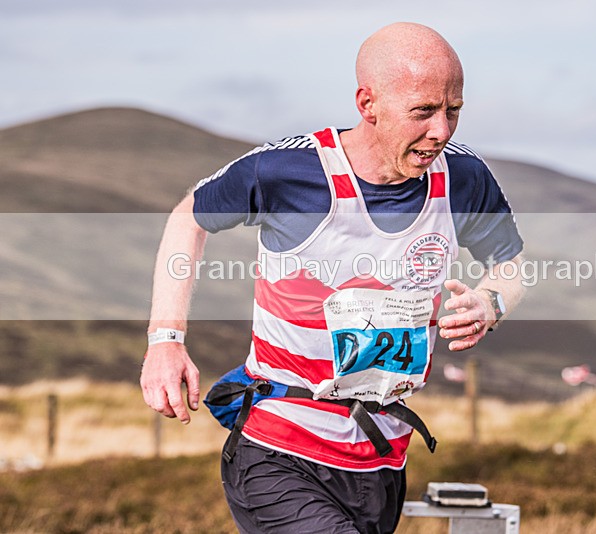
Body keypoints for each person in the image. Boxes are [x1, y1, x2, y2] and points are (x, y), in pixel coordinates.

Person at [141, 22, 525, 534]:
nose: (442, 131)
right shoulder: (289, 171)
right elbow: (189, 216)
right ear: (368, 104)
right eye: (423, 112)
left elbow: (512, 265)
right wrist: (166, 340)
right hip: (278, 450)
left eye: (453, 110)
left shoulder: (464, 178)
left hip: (380, 459)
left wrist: (490, 303)